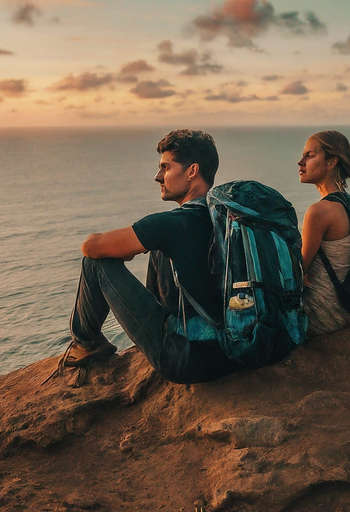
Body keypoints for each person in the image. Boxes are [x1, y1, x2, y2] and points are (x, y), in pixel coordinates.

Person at [55, 129, 242, 384]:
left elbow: (91, 247)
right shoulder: (228, 218)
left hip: (186, 361)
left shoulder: (173, 224)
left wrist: (120, 248)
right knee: (158, 246)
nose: (157, 176)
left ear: (192, 171)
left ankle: (86, 343)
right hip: (234, 351)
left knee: (95, 264)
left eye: (165, 167)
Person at [297, 130, 350, 337]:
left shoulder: (320, 212)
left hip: (321, 312)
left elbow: (298, 270)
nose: (301, 162)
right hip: (349, 306)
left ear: (331, 162)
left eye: (310, 155)